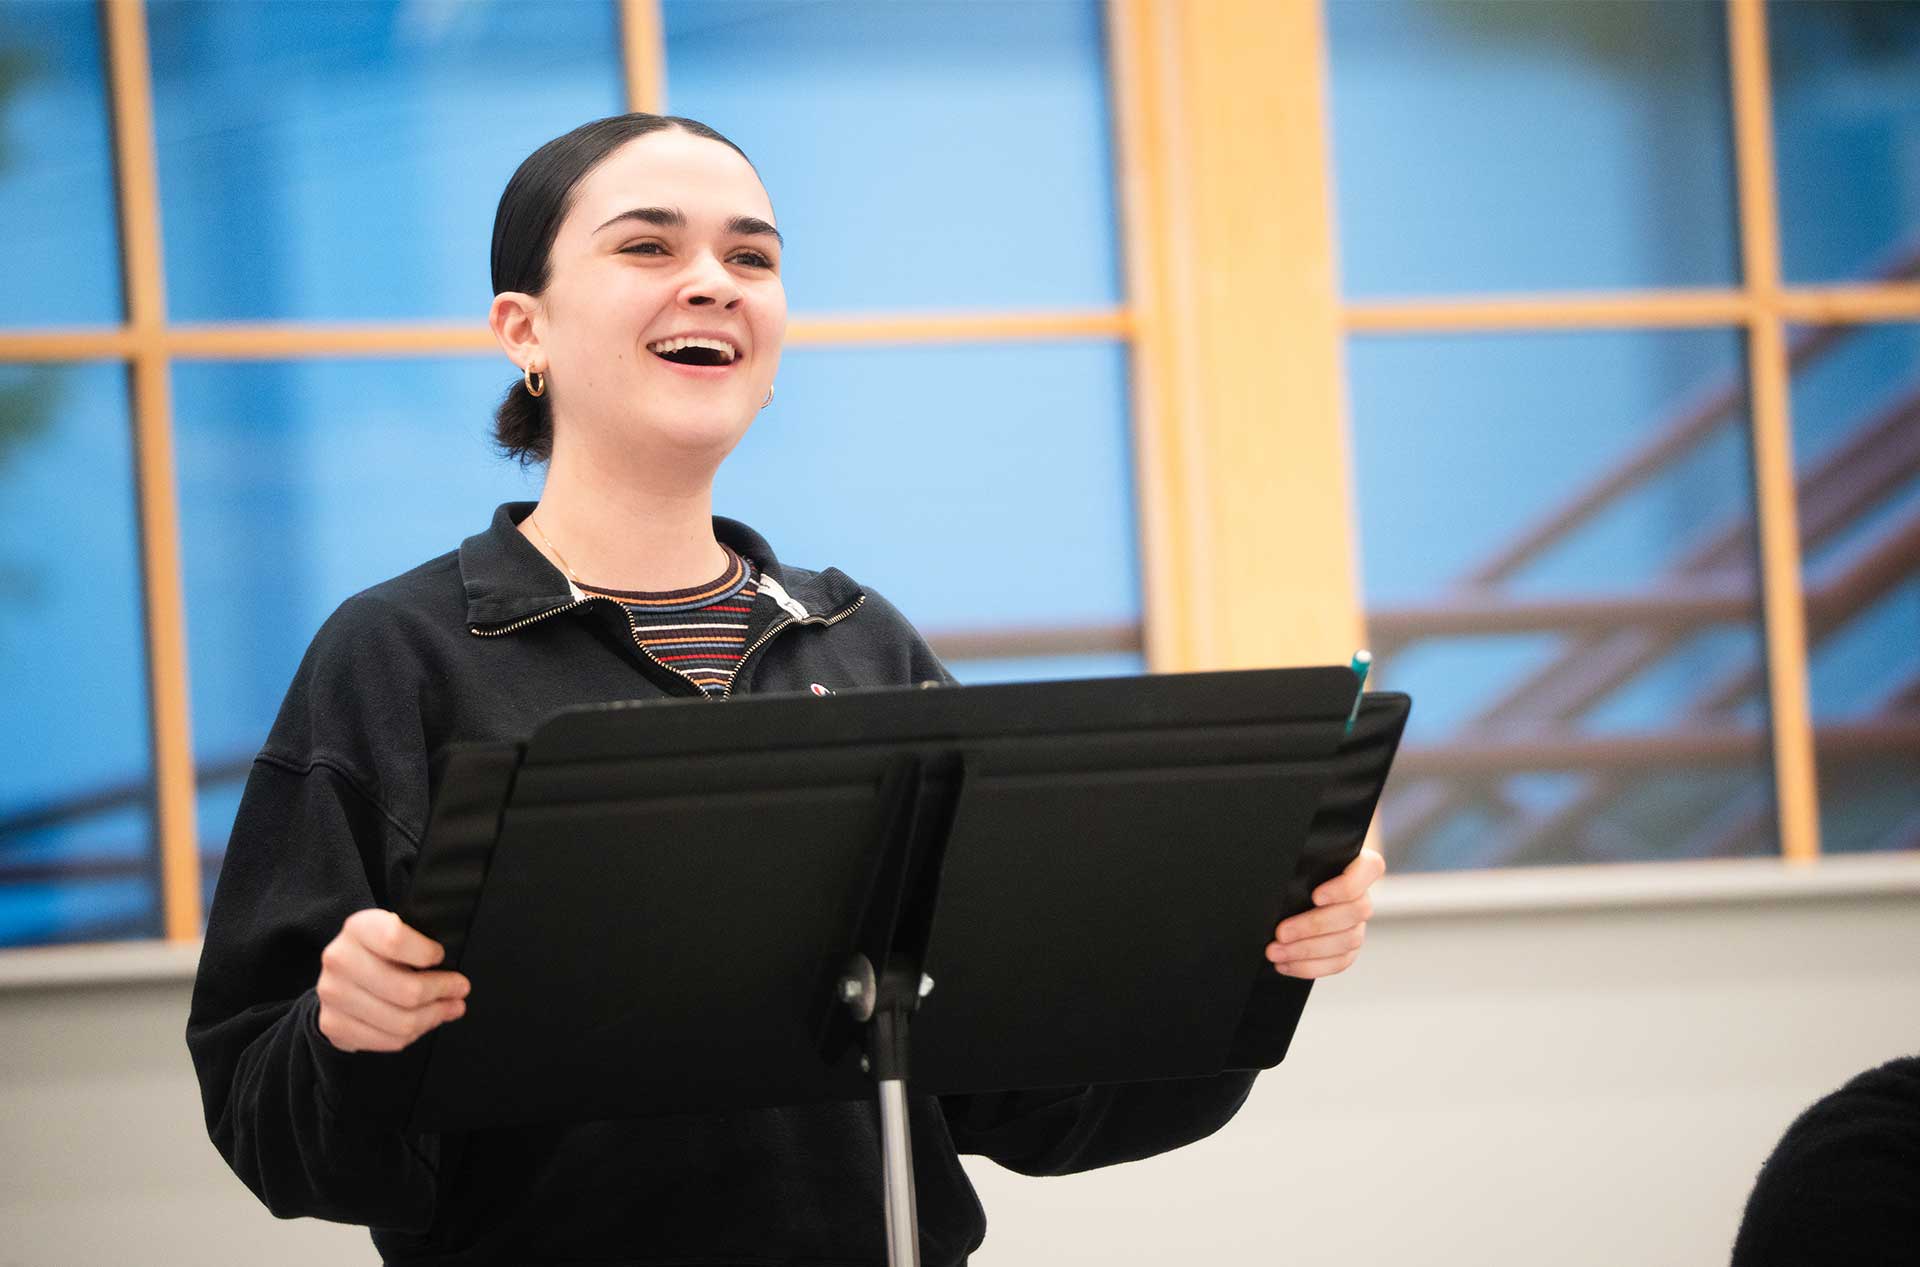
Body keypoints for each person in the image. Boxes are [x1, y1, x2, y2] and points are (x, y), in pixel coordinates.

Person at [185, 112, 1386, 1266]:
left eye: (750, 257)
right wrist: (344, 1033)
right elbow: (271, 1129)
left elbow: (1032, 1096)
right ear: (524, 331)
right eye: (649, 245)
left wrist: (1254, 941)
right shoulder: (396, 656)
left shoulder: (866, 644)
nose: (713, 280)